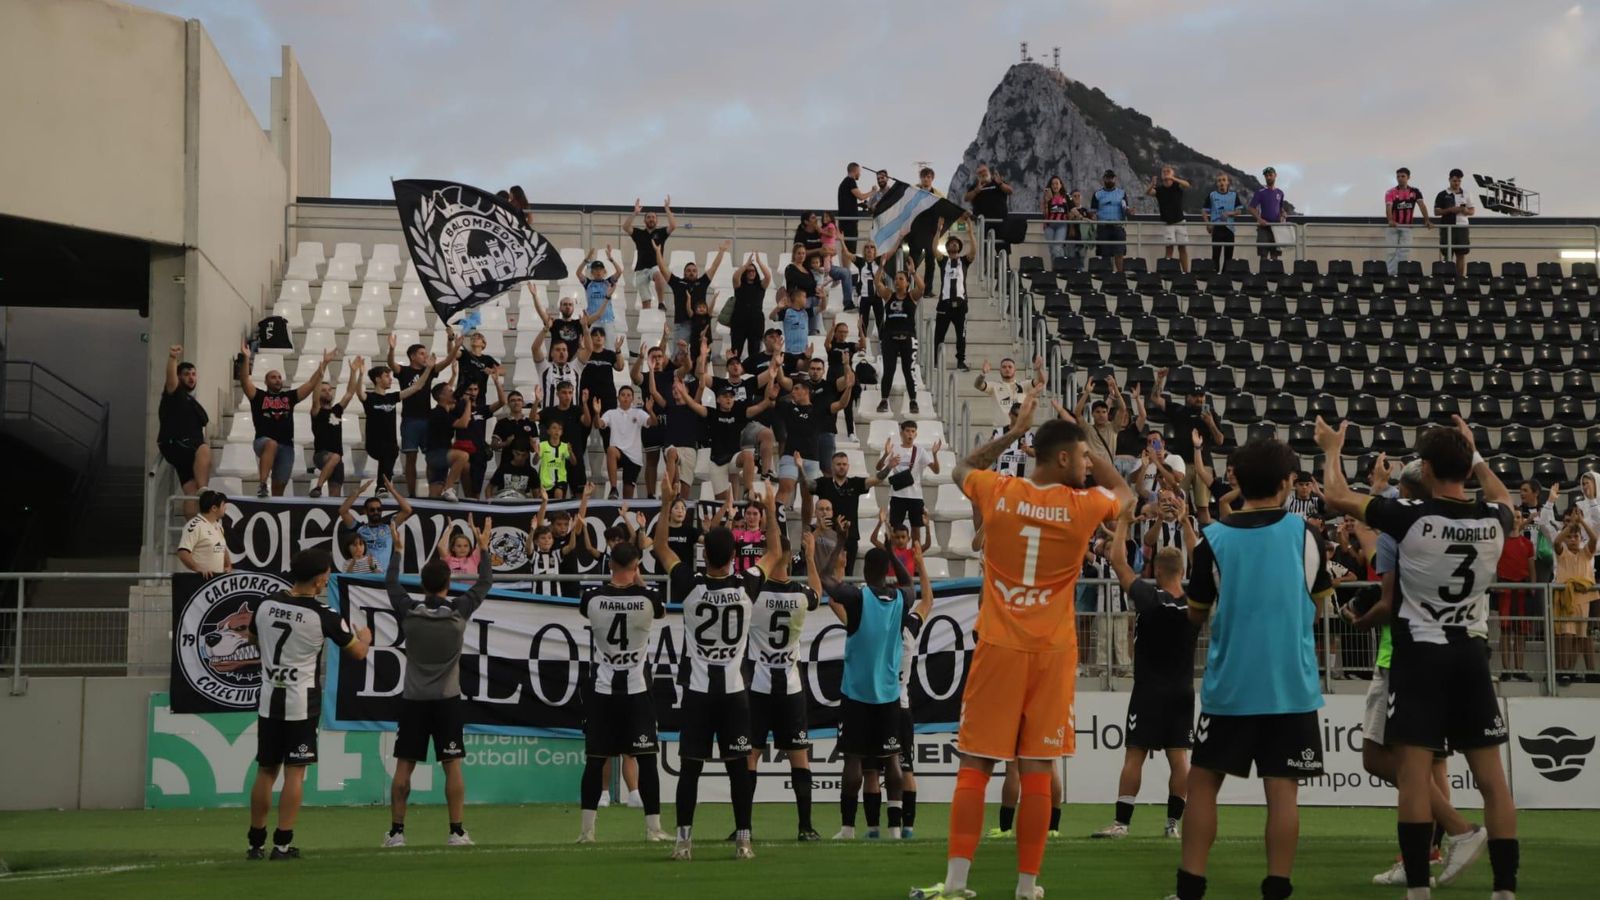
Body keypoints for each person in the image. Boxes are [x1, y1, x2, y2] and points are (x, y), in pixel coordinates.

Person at [913, 386, 1132, 900]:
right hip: (1051, 653)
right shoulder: (1083, 506)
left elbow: (959, 469)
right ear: (1063, 458)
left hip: (998, 647)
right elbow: (1124, 494)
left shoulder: (999, 491)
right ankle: (1027, 885)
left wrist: (1014, 433)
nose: (1085, 464)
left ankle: (957, 882)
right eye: (1079, 456)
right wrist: (1092, 443)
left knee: (975, 765)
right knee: (1037, 771)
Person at [1315, 416, 1519, 900]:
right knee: (1493, 779)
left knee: (1412, 774)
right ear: (1467, 468)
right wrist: (1477, 455)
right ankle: (1505, 889)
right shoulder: (1494, 518)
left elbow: (1337, 496)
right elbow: (1504, 496)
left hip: (1420, 654)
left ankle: (1419, 890)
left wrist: (1330, 448)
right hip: (1470, 653)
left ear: (1425, 468)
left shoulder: (1408, 516)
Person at [1171, 437, 1332, 900]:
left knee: (1202, 785)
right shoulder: (1306, 534)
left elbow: (1196, 613)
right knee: (1282, 792)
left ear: (1235, 480)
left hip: (1232, 687)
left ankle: (1190, 887)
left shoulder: (1213, 540)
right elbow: (1318, 604)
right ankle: (1277, 889)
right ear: (1287, 484)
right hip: (1291, 686)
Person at [1345, 459, 1488, 888]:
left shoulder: (1399, 531)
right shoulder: (1447, 526)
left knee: (1382, 760)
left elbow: (1386, 589)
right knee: (1434, 766)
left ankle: (1457, 830)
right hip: (1450, 653)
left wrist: (1361, 619)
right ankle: (1427, 854)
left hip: (1400, 658)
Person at [654, 482, 779, 862]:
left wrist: (664, 503)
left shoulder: (690, 586)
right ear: (735, 555)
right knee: (739, 769)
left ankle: (683, 841)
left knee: (689, 768)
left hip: (697, 691)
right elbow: (774, 551)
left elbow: (660, 547)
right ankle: (743, 840)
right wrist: (770, 508)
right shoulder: (746, 586)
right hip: (734, 693)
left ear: (703, 554)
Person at [243, 549, 371, 860]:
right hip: (300, 703)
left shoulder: (265, 603)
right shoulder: (324, 615)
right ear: (319, 579)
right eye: (326, 573)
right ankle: (283, 843)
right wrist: (365, 636)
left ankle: (255, 843)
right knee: (295, 774)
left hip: (269, 700)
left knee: (266, 770)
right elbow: (358, 653)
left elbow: (251, 637)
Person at [1091, 500, 1197, 840]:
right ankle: (1173, 826)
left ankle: (1122, 823)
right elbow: (1207, 563)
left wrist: (1123, 521)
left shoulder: (1150, 599)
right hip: (1182, 691)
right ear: (1182, 571)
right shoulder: (1194, 603)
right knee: (1179, 758)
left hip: (1149, 690)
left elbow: (1118, 561)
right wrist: (1186, 525)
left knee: (1134, 754)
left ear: (1156, 570)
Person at [382, 520, 491, 848]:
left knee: (404, 766)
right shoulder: (458, 612)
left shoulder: (409, 611)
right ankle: (456, 831)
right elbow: (485, 581)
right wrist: (483, 548)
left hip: (414, 698)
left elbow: (390, 583)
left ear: (423, 584)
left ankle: (397, 833)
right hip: (447, 699)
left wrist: (397, 552)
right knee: (452, 764)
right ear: (448, 582)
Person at [822, 524, 933, 841]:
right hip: (888, 696)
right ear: (885, 569)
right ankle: (896, 829)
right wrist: (892, 554)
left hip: (857, 693)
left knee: (854, 760)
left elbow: (828, 581)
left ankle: (848, 827)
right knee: (893, 759)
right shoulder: (900, 600)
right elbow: (910, 583)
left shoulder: (857, 599)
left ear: (864, 570)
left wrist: (842, 541)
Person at [574, 539, 669, 843]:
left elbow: (586, 606)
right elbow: (659, 609)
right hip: (637, 690)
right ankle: (653, 829)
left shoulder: (591, 597)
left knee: (595, 759)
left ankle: (587, 831)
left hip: (603, 689)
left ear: (611, 564)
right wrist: (638, 579)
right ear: (636, 566)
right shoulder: (648, 598)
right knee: (647, 759)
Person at [742, 512, 825, 841]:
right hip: (790, 686)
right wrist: (812, 558)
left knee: (751, 755)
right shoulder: (801, 596)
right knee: (798, 756)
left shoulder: (753, 596)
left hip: (759, 685)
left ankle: (743, 825)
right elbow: (818, 593)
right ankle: (805, 826)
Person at [240, 341, 334, 498]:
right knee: (271, 444)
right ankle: (262, 484)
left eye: (279, 377)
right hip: (263, 441)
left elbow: (311, 384)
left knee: (278, 491)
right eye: (273, 377)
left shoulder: (288, 397)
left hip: (286, 446)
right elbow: (244, 381)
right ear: (266, 381)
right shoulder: (259, 396)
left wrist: (324, 364)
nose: (277, 379)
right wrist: (245, 358)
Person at [390, 332, 459, 497]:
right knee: (411, 458)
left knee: (431, 458)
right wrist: (391, 349)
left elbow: (448, 361)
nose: (425, 356)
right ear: (412, 356)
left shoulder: (430, 370)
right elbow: (390, 363)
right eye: (422, 354)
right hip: (409, 420)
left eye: (426, 354)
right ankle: (412, 494)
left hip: (427, 420)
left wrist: (455, 345)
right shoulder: (404, 371)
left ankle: (432, 493)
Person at [362, 349, 433, 492]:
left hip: (389, 443)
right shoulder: (369, 397)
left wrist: (429, 369)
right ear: (377, 379)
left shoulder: (392, 397)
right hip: (374, 442)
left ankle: (382, 487)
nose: (391, 378)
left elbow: (417, 386)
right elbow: (355, 391)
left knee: (391, 451)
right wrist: (356, 374)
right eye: (387, 376)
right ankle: (382, 486)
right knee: (388, 451)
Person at [158, 344, 211, 513]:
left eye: (194, 374)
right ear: (179, 377)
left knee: (190, 492)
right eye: (186, 374)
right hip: (178, 444)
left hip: (184, 450)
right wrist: (173, 358)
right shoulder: (175, 393)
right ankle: (205, 493)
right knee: (204, 449)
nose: (191, 377)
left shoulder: (190, 400)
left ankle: (192, 532)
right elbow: (170, 379)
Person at [585, 385, 653, 500]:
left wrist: (651, 411)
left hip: (634, 458)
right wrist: (597, 413)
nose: (625, 398)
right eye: (623, 395)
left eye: (628, 395)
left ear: (632, 398)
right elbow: (598, 425)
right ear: (618, 398)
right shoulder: (611, 413)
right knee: (611, 449)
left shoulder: (638, 413)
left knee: (628, 496)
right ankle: (613, 489)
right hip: (618, 453)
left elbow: (652, 422)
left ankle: (624, 515)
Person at [873, 265, 924, 414]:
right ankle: (883, 400)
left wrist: (913, 272)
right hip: (890, 337)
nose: (897, 281)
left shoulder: (912, 296)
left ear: (907, 283)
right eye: (895, 279)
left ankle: (913, 401)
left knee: (909, 370)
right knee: (889, 370)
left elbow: (921, 287)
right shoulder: (889, 295)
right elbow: (877, 283)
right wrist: (881, 267)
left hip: (907, 337)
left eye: (901, 279)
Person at [878, 421, 941, 542]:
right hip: (897, 495)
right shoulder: (894, 448)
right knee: (894, 528)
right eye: (907, 431)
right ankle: (895, 556)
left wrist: (935, 455)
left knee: (916, 529)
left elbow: (936, 470)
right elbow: (878, 467)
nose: (910, 434)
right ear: (901, 433)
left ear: (916, 434)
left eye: (913, 431)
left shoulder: (920, 451)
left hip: (916, 496)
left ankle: (914, 557)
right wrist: (885, 454)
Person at [307, 359, 360, 498]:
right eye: (324, 390)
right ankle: (318, 487)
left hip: (337, 459)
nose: (328, 392)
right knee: (335, 456)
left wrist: (353, 372)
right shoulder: (316, 411)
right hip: (322, 454)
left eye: (330, 390)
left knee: (335, 495)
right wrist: (321, 372)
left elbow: (349, 393)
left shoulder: (337, 410)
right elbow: (314, 397)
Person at [658, 240, 728, 346]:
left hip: (699, 324)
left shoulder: (702, 282)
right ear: (684, 273)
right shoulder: (677, 283)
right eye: (689, 270)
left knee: (701, 356)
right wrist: (658, 252)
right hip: (682, 325)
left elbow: (714, 267)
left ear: (697, 273)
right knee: (678, 357)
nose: (691, 272)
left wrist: (722, 251)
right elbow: (663, 269)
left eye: (694, 270)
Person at [338, 478, 414, 573]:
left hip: (383, 576)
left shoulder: (389, 527)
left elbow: (407, 510)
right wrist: (358, 492)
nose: (376, 512)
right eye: (372, 510)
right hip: (364, 574)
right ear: (365, 511)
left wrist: (392, 491)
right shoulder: (359, 528)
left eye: (379, 509)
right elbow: (343, 511)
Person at [934, 219, 976, 371]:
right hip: (944, 304)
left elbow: (973, 252)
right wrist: (938, 231)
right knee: (939, 335)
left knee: (961, 335)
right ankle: (936, 362)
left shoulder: (964, 261)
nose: (954, 244)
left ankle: (960, 362)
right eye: (951, 243)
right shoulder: (943, 260)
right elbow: (934, 249)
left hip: (961, 305)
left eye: (956, 243)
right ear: (947, 247)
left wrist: (970, 233)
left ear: (959, 247)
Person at [621, 196, 677, 309]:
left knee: (658, 274)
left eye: (653, 217)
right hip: (640, 270)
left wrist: (667, 209)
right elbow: (626, 227)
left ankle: (661, 303)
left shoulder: (661, 233)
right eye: (648, 217)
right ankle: (648, 320)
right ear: (645, 220)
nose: (651, 219)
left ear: (656, 220)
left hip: (655, 266)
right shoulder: (638, 233)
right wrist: (635, 213)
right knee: (646, 303)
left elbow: (673, 226)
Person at [425, 383, 471, 500]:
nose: (453, 393)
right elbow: (463, 423)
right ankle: (449, 488)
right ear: (441, 396)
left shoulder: (443, 412)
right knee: (463, 456)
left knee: (434, 495)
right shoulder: (439, 413)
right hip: (437, 454)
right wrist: (468, 403)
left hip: (436, 456)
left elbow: (452, 406)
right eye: (450, 391)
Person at [1384, 167, 1432, 276]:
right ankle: (1391, 276)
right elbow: (1388, 207)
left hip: (1407, 227)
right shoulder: (1390, 192)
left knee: (1404, 252)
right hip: (1393, 227)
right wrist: (1390, 220)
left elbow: (1422, 206)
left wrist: (1427, 220)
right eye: (1398, 176)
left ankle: (1401, 275)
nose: (1400, 179)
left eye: (1403, 176)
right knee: (1391, 252)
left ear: (1408, 177)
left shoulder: (1415, 191)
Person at [975, 357, 1046, 428]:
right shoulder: (994, 386)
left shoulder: (1024, 385)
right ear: (1000, 370)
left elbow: (1041, 382)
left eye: (1010, 367)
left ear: (1015, 370)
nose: (1007, 369)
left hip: (1020, 429)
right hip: (1000, 430)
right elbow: (978, 385)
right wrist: (983, 374)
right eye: (1004, 367)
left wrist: (1039, 370)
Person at [728, 251, 773, 361]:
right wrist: (745, 265)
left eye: (753, 271)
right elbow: (735, 277)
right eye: (748, 271)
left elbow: (768, 276)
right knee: (735, 352)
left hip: (755, 322)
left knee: (755, 353)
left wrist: (758, 262)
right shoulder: (739, 285)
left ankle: (754, 375)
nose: (751, 272)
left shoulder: (760, 286)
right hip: (739, 322)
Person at [964, 162, 1014, 259]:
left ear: (989, 172)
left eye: (984, 171)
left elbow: (1010, 191)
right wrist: (976, 191)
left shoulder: (998, 182)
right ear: (977, 176)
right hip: (983, 223)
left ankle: (1005, 270)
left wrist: (1000, 184)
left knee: (1003, 250)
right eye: (980, 173)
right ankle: (986, 271)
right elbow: (966, 198)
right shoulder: (975, 185)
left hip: (1000, 222)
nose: (983, 174)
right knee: (985, 251)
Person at [176, 489, 231, 577]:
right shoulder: (195, 526)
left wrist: (228, 565)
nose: (225, 508)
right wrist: (198, 568)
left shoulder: (218, 525)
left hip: (215, 581)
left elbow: (222, 547)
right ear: (214, 508)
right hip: (198, 581)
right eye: (223, 505)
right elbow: (183, 552)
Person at [1147, 166, 1192, 273]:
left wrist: (1173, 178)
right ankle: (1168, 273)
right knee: (1169, 248)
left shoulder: (1177, 185)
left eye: (1168, 171)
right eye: (1164, 171)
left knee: (1182, 248)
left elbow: (1187, 185)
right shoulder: (1159, 189)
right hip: (1167, 223)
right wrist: (1152, 184)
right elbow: (1148, 193)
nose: (1166, 173)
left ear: (1172, 173)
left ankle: (1185, 273)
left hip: (1180, 221)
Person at [1201, 173, 1246, 268]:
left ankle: (1225, 279)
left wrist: (1228, 213)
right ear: (1217, 183)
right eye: (1219, 180)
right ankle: (1215, 278)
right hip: (1216, 228)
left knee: (1228, 257)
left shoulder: (1233, 195)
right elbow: (1204, 211)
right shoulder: (1212, 195)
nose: (1221, 182)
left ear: (1228, 182)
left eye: (1224, 180)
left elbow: (1239, 211)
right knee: (1215, 256)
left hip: (1229, 229)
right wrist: (1208, 224)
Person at [1090, 169, 1130, 273]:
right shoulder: (1097, 194)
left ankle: (1120, 276)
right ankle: (1107, 278)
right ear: (1104, 179)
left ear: (1115, 179)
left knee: (1119, 253)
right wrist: (1093, 216)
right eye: (1107, 178)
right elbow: (1093, 211)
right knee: (1105, 254)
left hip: (1117, 227)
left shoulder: (1122, 193)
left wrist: (1130, 211)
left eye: (1111, 178)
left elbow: (1126, 208)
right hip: (1103, 227)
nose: (1109, 180)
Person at [1434, 168, 1476, 268]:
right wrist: (1450, 210)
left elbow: (1472, 211)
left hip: (1462, 227)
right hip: (1447, 226)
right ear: (1449, 180)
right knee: (1447, 254)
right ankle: (1447, 280)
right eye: (1454, 181)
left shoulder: (1467, 193)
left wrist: (1465, 211)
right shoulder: (1442, 194)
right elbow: (1436, 212)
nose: (1457, 183)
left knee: (1461, 255)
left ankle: (1460, 280)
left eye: (1459, 181)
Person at [1248, 166, 1287, 262]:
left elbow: (1280, 207)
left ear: (1275, 175)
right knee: (1263, 255)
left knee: (1275, 256)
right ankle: (1262, 277)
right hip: (1264, 228)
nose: (1268, 177)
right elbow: (1251, 207)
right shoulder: (1260, 192)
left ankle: (1275, 277)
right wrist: (1259, 219)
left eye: (1270, 175)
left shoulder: (1280, 193)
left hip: (1276, 229)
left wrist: (1283, 213)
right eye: (1266, 176)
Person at [576, 246, 620, 329]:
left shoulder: (608, 282)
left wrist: (611, 259)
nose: (598, 272)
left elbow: (619, 272)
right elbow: (578, 273)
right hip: (592, 321)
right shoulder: (588, 283)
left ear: (604, 271)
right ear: (592, 272)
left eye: (600, 269)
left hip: (608, 320)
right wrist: (586, 260)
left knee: (609, 342)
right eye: (595, 270)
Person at [838, 162, 873, 253]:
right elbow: (861, 197)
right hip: (849, 222)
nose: (860, 174)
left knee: (846, 247)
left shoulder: (845, 182)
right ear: (855, 171)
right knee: (850, 247)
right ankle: (847, 267)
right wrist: (872, 191)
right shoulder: (850, 181)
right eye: (859, 172)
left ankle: (846, 267)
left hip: (845, 221)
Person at [1040, 175, 1070, 260]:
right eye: (1053, 184)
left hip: (1061, 224)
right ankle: (1056, 271)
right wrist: (1046, 202)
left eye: (1057, 183)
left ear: (1061, 185)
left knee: (1057, 248)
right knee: (1052, 250)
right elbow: (1045, 214)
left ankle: (1061, 267)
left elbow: (1071, 209)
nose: (1055, 186)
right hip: (1049, 225)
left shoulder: (1066, 196)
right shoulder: (1047, 197)